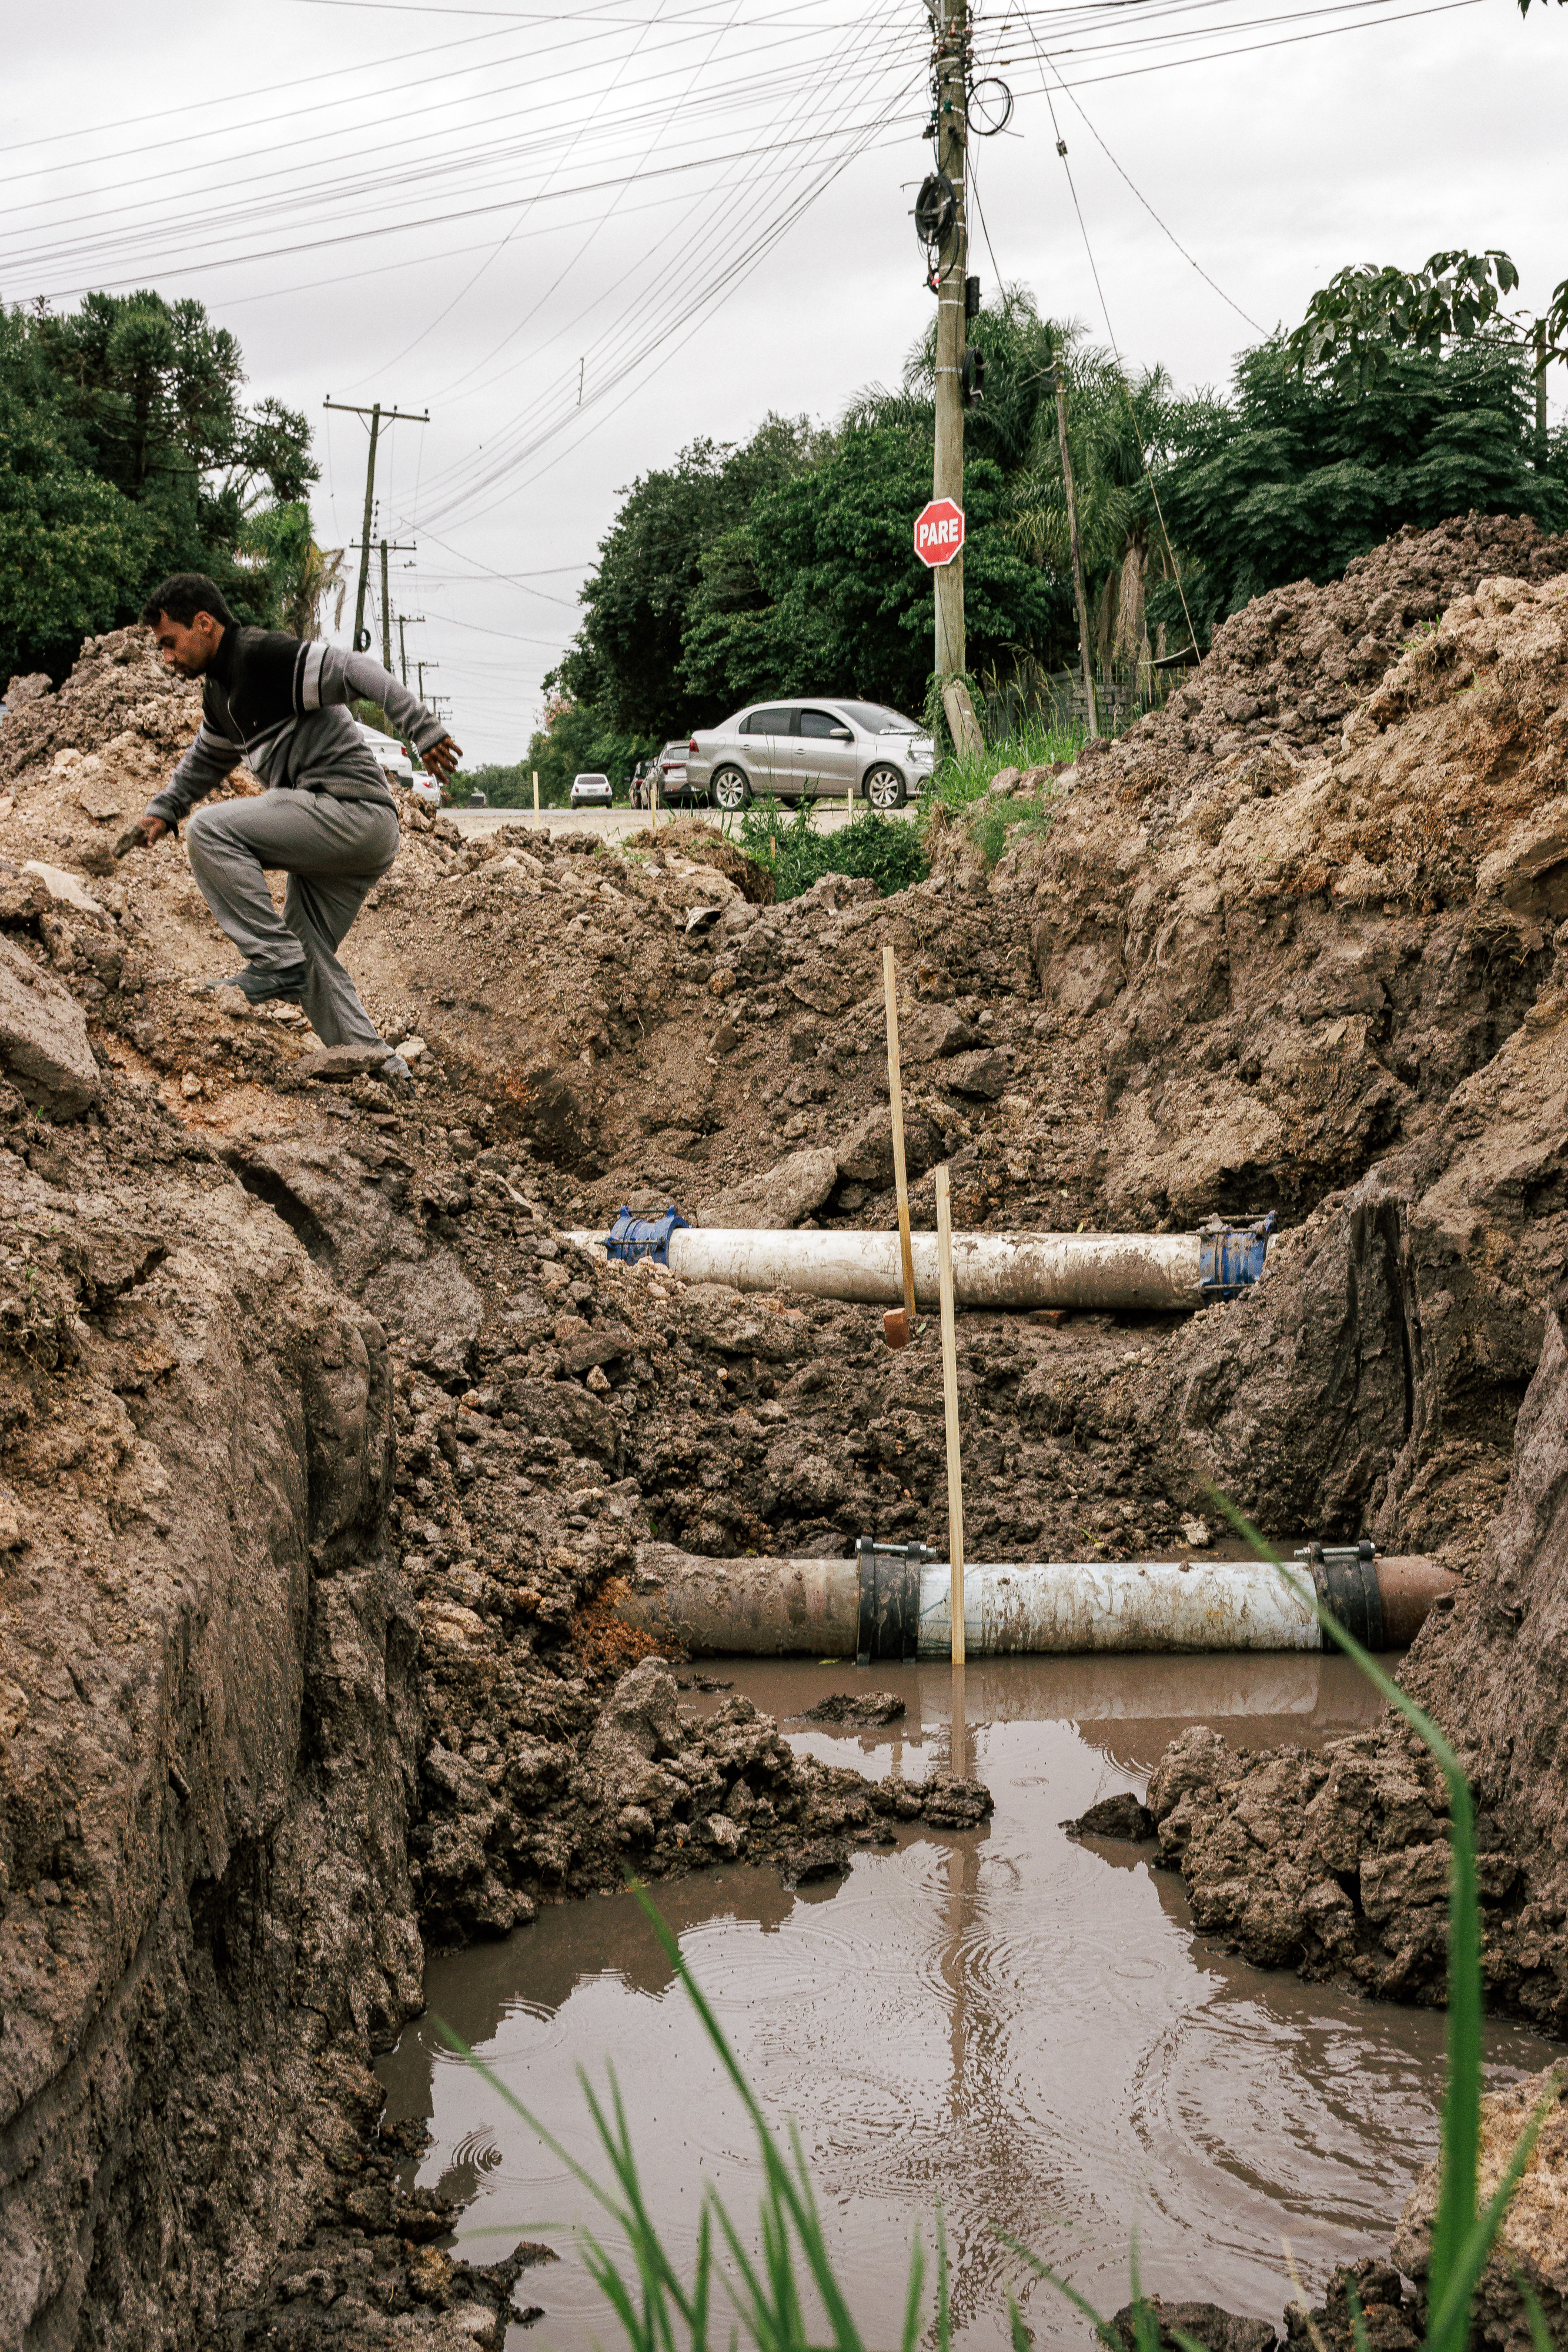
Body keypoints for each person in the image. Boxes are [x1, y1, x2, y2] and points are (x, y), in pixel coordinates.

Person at [122, 572, 462, 1075]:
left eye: (171, 643)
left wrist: (422, 726)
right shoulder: (221, 695)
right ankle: (381, 1070)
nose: (167, 658)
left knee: (211, 831)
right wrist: (164, 808)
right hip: (351, 829)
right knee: (308, 956)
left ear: (204, 623)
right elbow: (205, 760)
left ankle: (272, 962)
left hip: (350, 811)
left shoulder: (262, 657)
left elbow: (356, 669)